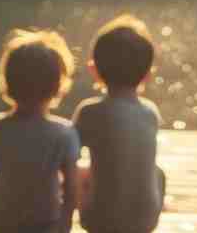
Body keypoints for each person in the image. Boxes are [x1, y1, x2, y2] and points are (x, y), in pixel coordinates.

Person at [71, 15, 166, 233]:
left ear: (94, 70)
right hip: (145, 221)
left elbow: (68, 155)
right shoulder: (150, 112)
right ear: (148, 75)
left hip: (100, 221)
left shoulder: (89, 111)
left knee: (77, 171)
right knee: (157, 172)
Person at [0, 30, 81, 233]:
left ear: (8, 83)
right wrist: (65, 223)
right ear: (57, 87)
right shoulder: (64, 134)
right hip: (45, 224)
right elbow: (72, 190)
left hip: (2, 223)